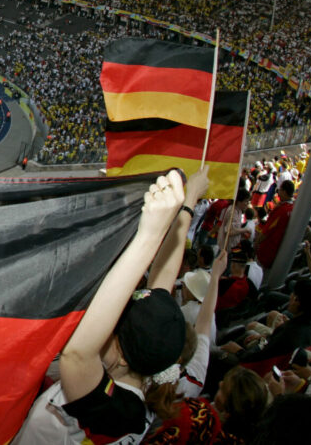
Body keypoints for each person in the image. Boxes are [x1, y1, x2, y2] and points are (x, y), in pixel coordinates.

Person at [14, 168, 209, 444]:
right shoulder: (144, 374)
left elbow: (78, 354)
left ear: (123, 356)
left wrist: (149, 235)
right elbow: (162, 281)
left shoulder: (115, 414)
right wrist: (187, 206)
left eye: (112, 327)